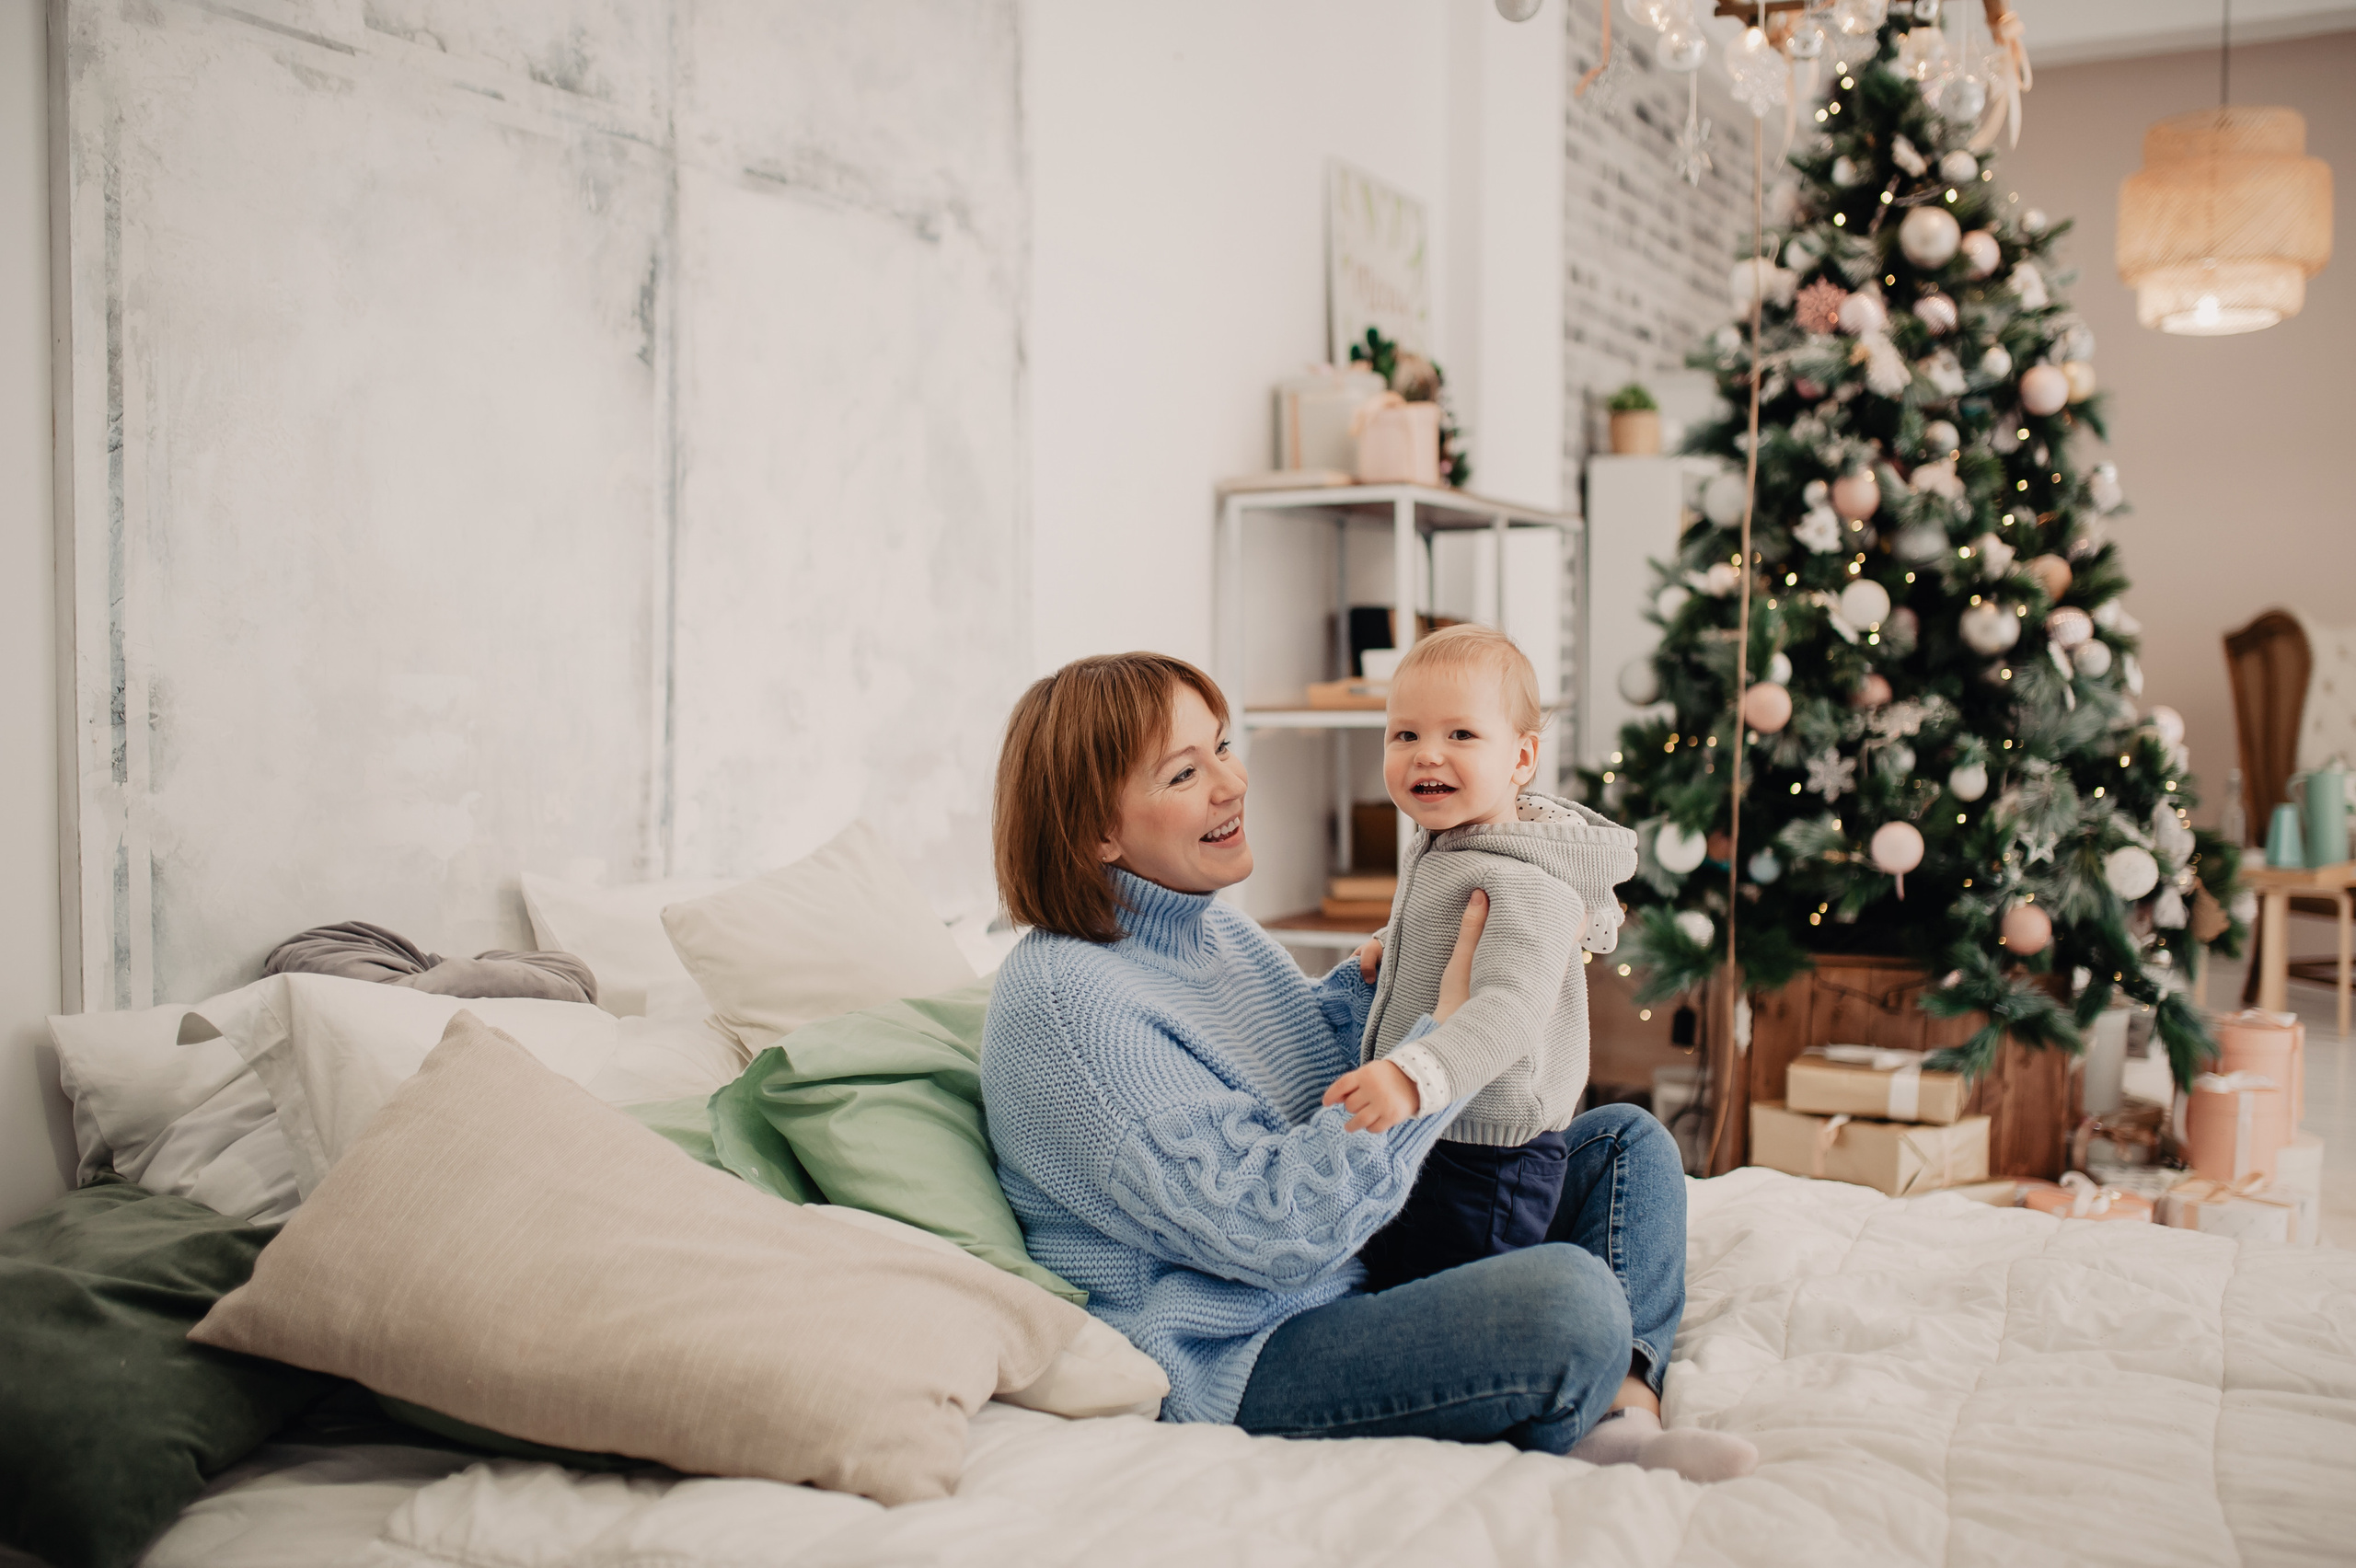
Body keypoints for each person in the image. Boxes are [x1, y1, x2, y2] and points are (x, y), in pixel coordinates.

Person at [978, 651, 1754, 1479]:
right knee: (1570, 1300)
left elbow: (1301, 1064)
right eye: (1183, 773)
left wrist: (1393, 978)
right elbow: (1273, 1227)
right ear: (1095, 829)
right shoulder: (1069, 1006)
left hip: (1359, 1262)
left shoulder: (1211, 928)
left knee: (1628, 1145)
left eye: (1223, 747)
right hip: (1250, 1342)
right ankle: (1578, 1379)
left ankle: (1627, 1415)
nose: (1231, 784)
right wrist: (1442, 1038)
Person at [1325, 625, 1641, 1299]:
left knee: (1457, 1299)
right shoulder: (1451, 846)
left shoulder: (1529, 882)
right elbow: (1447, 925)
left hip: (1487, 1159)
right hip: (1437, 1130)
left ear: (1522, 759)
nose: (1426, 754)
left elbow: (1509, 1011)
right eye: (1404, 735)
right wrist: (1393, 941)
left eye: (1460, 736)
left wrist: (1412, 1078)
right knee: (1398, 1279)